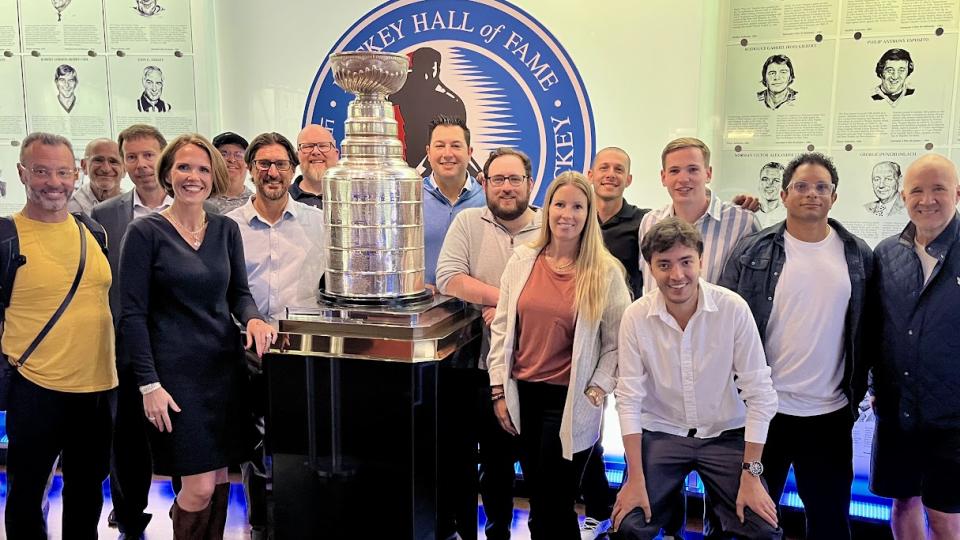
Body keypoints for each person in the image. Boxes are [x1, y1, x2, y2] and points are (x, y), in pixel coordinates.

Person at [118, 133, 274, 538]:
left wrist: (254, 319)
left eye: (203, 169)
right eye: (184, 167)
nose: (194, 176)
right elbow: (132, 315)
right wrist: (148, 383)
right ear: (168, 173)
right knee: (199, 486)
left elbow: (240, 294)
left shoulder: (225, 230)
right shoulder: (145, 233)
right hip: (175, 378)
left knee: (220, 478)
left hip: (224, 372)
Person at [719, 153, 873, 539]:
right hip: (763, 415)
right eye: (802, 187)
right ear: (785, 195)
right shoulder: (751, 251)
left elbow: (869, 328)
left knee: (830, 522)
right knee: (749, 523)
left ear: (834, 197)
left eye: (822, 187)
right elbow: (725, 328)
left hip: (830, 417)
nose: (812, 194)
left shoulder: (858, 255)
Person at [612, 217, 781, 540]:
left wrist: (752, 474)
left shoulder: (733, 309)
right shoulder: (636, 316)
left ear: (700, 261)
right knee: (629, 526)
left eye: (685, 262)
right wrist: (634, 477)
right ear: (650, 267)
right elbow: (629, 398)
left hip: (725, 434)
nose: (677, 275)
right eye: (664, 264)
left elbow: (760, 394)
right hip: (661, 433)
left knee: (763, 530)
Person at [487, 171, 630, 539]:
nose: (567, 214)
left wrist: (597, 388)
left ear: (589, 213)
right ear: (546, 209)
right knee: (537, 499)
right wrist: (499, 391)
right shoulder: (523, 259)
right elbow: (503, 327)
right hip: (522, 396)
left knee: (556, 501)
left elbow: (619, 342)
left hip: (569, 401)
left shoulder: (605, 271)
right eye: (560, 204)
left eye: (578, 206)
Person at [3, 132, 117, 538]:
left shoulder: (94, 232)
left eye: (63, 172)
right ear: (22, 173)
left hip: (97, 388)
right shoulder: (6, 236)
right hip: (35, 387)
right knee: (27, 493)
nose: (54, 182)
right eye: (41, 171)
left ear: (76, 174)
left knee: (87, 493)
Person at [436, 147, 541, 540]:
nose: (507, 187)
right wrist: (503, 297)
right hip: (477, 369)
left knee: (538, 469)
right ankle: (494, 532)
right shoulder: (467, 221)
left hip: (537, 370)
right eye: (498, 179)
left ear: (531, 184)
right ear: (485, 183)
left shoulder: (550, 226)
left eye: (515, 179)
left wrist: (509, 307)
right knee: (492, 468)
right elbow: (448, 276)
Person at [226, 132, 326, 539]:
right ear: (251, 170)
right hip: (244, 350)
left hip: (301, 350)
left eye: (280, 164)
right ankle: (259, 524)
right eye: (263, 164)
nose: (272, 172)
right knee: (252, 445)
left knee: (299, 444)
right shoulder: (228, 226)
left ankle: (299, 520)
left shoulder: (318, 223)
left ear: (293, 170)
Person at [92, 124, 180, 538]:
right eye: (133, 157)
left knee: (184, 435)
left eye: (149, 155)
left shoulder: (197, 208)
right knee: (126, 439)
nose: (142, 165)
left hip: (180, 344)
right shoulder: (105, 216)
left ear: (164, 157)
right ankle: (129, 517)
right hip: (127, 346)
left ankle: (189, 513)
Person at [868, 154, 960, 540]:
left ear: (957, 192)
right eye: (917, 190)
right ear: (904, 195)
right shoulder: (886, 253)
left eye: (938, 188)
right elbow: (874, 328)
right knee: (903, 502)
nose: (927, 200)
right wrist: (873, 386)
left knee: (945, 515)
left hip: (952, 417)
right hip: (897, 410)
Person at [638, 137, 760, 294]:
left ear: (708, 174)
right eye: (674, 171)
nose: (683, 179)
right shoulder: (650, 222)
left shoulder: (742, 222)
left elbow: (756, 286)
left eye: (693, 169)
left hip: (720, 318)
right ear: (663, 177)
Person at [424, 114, 485, 286]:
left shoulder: (488, 200)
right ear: (428, 152)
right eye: (440, 146)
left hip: (478, 308)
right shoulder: (409, 200)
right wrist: (410, 284)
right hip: (423, 308)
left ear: (469, 152)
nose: (447, 154)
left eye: (456, 146)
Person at [589, 146, 649, 299]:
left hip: (625, 316)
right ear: (590, 176)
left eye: (619, 170)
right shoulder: (576, 219)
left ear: (628, 180)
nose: (610, 174)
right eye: (604, 168)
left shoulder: (645, 221)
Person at [68, 138, 125, 214]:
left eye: (113, 162)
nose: (106, 169)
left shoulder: (135, 206)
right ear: (84, 166)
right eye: (98, 160)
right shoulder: (68, 209)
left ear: (125, 169)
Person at [291, 124, 339, 208]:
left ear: (336, 154)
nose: (316, 151)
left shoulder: (353, 199)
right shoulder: (282, 200)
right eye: (308, 146)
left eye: (323, 146)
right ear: (297, 156)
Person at [210, 131, 253, 214]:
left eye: (238, 155)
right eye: (224, 154)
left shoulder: (255, 203)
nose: (231, 159)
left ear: (248, 163)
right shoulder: (200, 200)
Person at [756, 162, 786, 227]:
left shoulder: (790, 217)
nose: (769, 184)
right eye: (765, 179)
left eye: (776, 180)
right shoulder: (749, 214)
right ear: (759, 182)